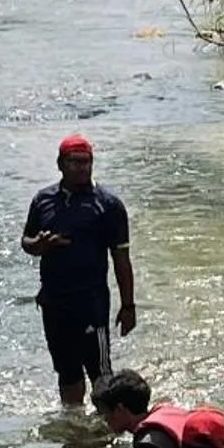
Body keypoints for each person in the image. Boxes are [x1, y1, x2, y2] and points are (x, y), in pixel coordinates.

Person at [24, 135, 136, 409]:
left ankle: (106, 435)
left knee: (101, 375)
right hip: (54, 302)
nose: (82, 168)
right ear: (60, 164)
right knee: (67, 373)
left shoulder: (108, 205)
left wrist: (128, 305)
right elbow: (26, 241)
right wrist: (38, 245)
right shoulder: (43, 200)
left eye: (86, 162)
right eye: (74, 162)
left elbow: (121, 258)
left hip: (91, 303)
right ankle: (75, 435)